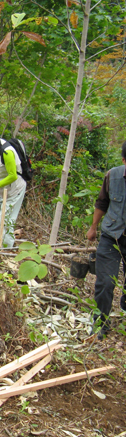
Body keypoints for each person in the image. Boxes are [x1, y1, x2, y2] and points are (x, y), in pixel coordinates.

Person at [86, 141, 126, 340]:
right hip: (112, 235)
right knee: (104, 282)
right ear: (123, 160)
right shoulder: (113, 175)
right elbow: (102, 202)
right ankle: (100, 322)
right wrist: (93, 227)